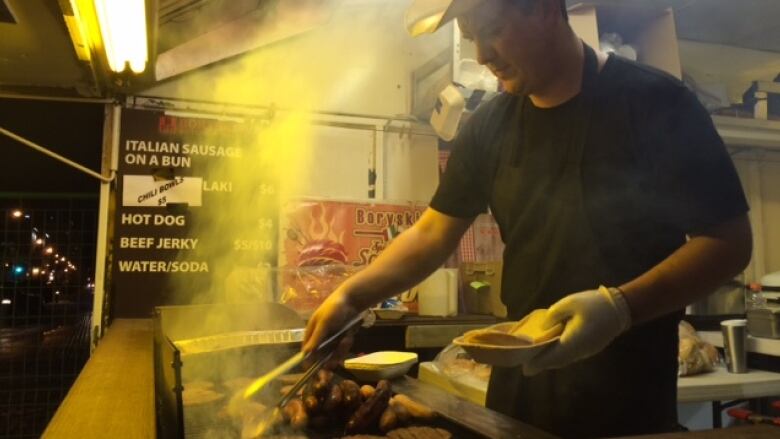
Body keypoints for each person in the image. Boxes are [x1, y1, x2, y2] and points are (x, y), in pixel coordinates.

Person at [303, 0, 753, 437]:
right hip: (517, 396)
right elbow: (432, 233)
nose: (482, 55)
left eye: (492, 31)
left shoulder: (657, 104)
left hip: (628, 400)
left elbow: (729, 242)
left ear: (542, 7)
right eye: (470, 37)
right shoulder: (487, 128)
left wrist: (619, 308)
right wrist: (351, 295)